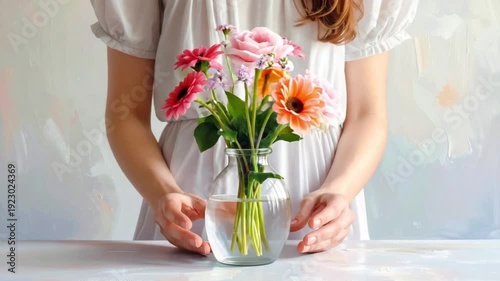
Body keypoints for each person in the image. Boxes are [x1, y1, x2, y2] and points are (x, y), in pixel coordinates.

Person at [90, 0, 418, 255]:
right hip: (196, 206)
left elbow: (367, 115)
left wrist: (340, 192)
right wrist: (164, 194)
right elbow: (125, 114)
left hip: (315, 202)